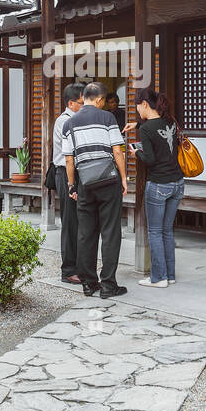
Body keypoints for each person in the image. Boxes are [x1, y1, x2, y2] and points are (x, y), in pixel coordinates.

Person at [62, 81, 128, 299]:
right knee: (110, 232)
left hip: (85, 183)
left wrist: (72, 185)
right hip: (108, 182)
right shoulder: (107, 118)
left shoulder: (70, 124)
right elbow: (117, 151)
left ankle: (88, 284)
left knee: (86, 234)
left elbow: (69, 160)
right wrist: (124, 179)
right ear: (99, 100)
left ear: (84, 97)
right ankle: (108, 285)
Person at [129, 88, 185, 288]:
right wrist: (136, 124)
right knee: (167, 231)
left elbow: (150, 159)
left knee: (154, 231)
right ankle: (169, 275)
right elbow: (157, 129)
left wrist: (136, 153)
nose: (136, 110)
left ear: (144, 104)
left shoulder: (145, 130)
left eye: (137, 105)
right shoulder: (170, 121)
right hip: (178, 183)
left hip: (159, 184)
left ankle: (158, 278)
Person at [53, 83, 85, 284]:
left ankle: (79, 266)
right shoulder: (65, 122)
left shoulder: (76, 119)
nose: (85, 106)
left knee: (81, 222)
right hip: (66, 174)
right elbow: (70, 155)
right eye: (82, 103)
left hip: (76, 174)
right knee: (70, 222)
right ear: (71, 103)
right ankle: (68, 270)